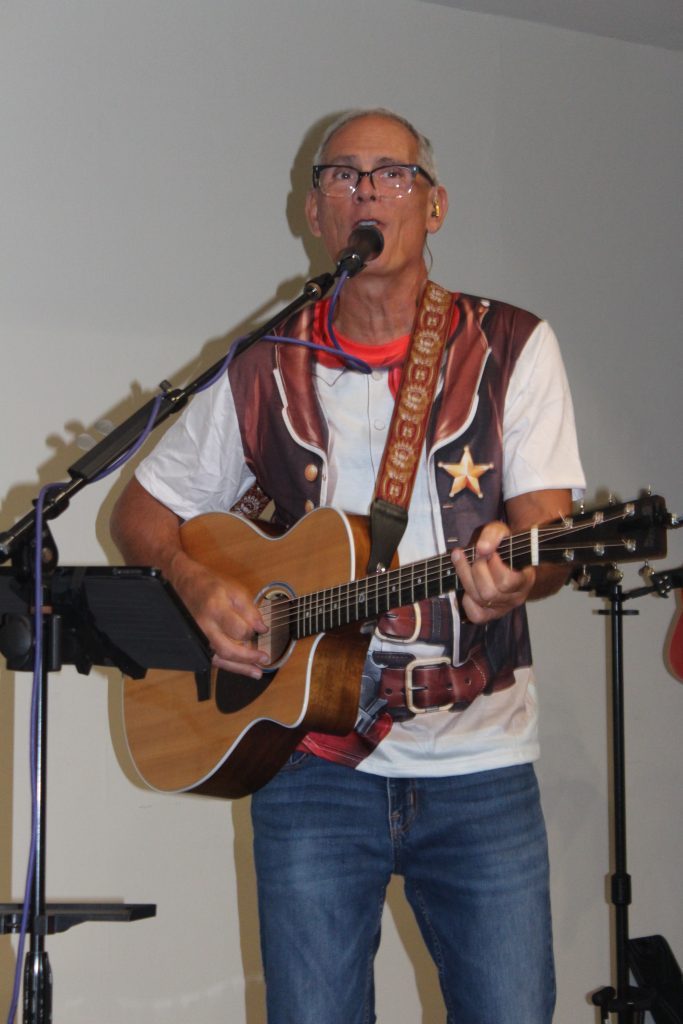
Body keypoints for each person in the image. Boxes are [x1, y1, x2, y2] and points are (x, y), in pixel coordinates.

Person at [111, 107, 585, 1024]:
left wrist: (519, 574)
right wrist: (196, 581)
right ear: (314, 211)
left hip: (480, 761)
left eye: (392, 174)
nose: (367, 192)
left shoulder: (512, 345)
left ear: (433, 206)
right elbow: (141, 512)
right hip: (309, 767)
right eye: (342, 175)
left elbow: (546, 532)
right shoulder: (264, 362)